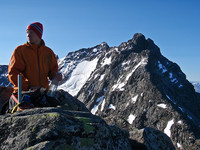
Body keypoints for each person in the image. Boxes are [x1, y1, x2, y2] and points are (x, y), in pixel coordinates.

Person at [7, 22, 62, 112]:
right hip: (23, 94)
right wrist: (28, 87)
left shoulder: (48, 52)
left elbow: (52, 72)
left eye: (31, 32)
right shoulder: (20, 51)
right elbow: (13, 73)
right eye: (27, 32)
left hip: (42, 94)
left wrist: (56, 76)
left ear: (39, 34)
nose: (28, 35)